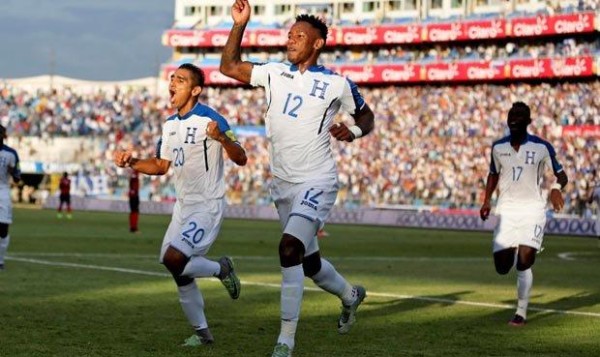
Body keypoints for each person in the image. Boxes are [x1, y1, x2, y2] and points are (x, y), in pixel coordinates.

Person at [220, 2, 375, 356]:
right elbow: (228, 66)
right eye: (289, 35)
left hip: (317, 180)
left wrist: (353, 130)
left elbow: (367, 116)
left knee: (289, 248)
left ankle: (285, 341)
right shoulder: (273, 72)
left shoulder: (337, 83)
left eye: (299, 36)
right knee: (310, 264)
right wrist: (239, 25)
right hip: (283, 185)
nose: (291, 40)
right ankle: (351, 296)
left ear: (317, 44)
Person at [113, 63, 247, 346]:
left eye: (181, 80)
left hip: (207, 205)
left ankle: (222, 269)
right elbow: (161, 166)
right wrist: (133, 162)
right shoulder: (169, 125)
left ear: (195, 90)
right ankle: (203, 334)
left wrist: (221, 138)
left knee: (176, 259)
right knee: (171, 264)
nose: (173, 83)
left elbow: (241, 156)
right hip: (182, 207)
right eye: (172, 79)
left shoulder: (212, 119)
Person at [480, 102, 568, 326]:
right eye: (511, 114)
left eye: (520, 115)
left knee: (525, 261)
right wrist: (486, 200)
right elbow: (493, 174)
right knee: (502, 267)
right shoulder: (498, 147)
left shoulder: (541, 147)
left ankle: (521, 312)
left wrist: (556, 189)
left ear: (528, 122)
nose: (514, 118)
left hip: (532, 210)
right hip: (507, 210)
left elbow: (561, 175)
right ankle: (510, 251)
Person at [0, 125, 21, 270]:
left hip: (2, 191)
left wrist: (13, 171)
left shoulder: (11, 153)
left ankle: (0, 261)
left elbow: (18, 177)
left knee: (3, 228)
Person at [129, 169, 140, 233]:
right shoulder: (135, 176)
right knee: (135, 211)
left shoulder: (134, 176)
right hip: (134, 196)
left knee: (133, 211)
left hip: (133, 195)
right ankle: (134, 228)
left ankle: (133, 227)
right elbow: (133, 186)